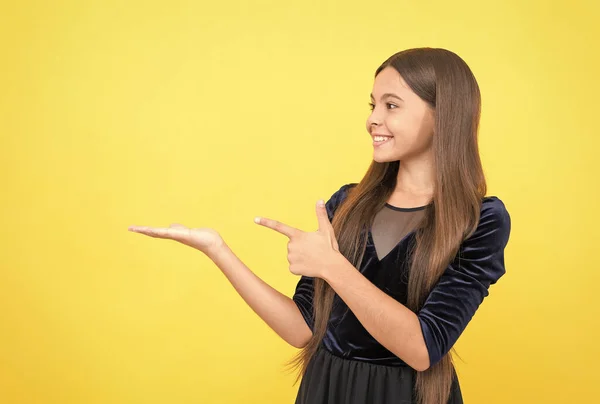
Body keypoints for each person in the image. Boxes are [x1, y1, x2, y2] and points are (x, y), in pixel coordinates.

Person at [128, 47, 511, 404]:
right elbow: (302, 329)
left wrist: (330, 265)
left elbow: (423, 348)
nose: (372, 119)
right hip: (327, 387)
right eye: (373, 104)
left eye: (391, 105)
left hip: (406, 393)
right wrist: (217, 249)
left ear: (443, 114)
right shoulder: (347, 204)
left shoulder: (480, 221)